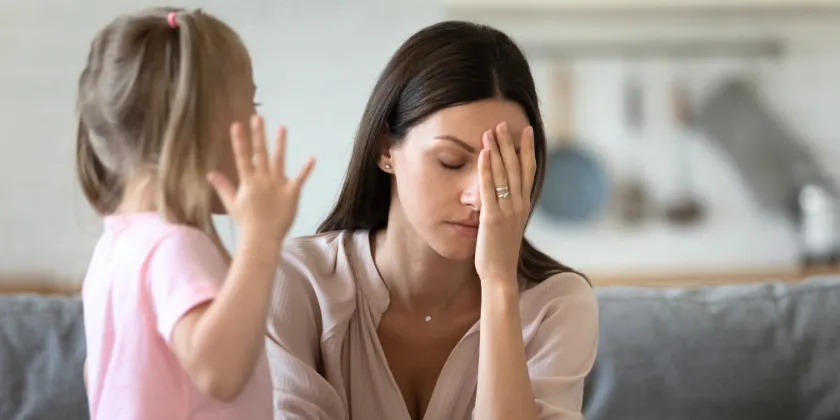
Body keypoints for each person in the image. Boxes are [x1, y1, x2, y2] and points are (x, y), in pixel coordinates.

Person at [265, 20, 599, 420]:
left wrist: (499, 284)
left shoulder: (557, 304)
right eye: (451, 161)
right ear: (386, 149)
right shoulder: (295, 283)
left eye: (504, 167)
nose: (479, 196)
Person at [75, 7, 314, 420]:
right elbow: (219, 371)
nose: (258, 119)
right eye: (250, 102)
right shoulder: (176, 246)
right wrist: (261, 238)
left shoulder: (116, 246)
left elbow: (95, 374)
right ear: (198, 126)